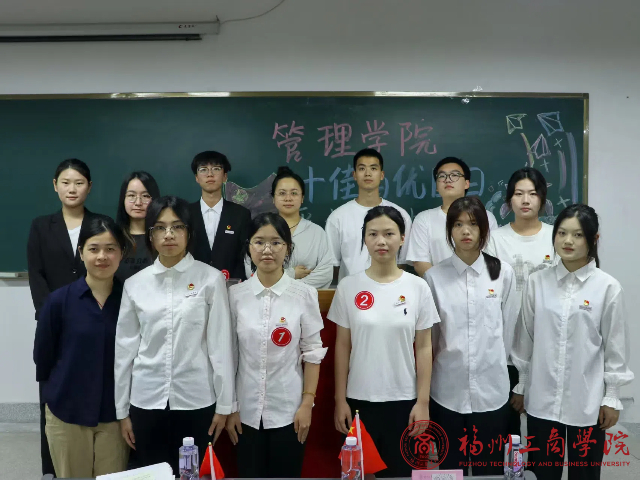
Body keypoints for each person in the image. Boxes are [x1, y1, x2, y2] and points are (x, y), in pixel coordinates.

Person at [114, 196, 235, 475]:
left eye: (177, 227)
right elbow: (124, 352)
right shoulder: (135, 285)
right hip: (146, 399)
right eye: (160, 227)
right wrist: (122, 411)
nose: (168, 234)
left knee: (192, 474)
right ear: (150, 235)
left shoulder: (210, 279)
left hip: (196, 399)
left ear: (188, 233)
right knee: (153, 474)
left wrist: (224, 405)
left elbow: (221, 346)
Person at [511, 204, 633, 480]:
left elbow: (615, 347)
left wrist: (612, 396)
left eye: (578, 235)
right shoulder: (537, 282)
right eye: (562, 233)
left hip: (586, 400)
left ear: (594, 239)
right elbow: (525, 338)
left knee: (585, 473)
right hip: (542, 398)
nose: (568, 241)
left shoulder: (607, 288)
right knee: (542, 472)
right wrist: (522, 384)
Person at [329, 206, 439, 477]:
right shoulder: (348, 287)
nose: (381, 241)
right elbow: (342, 347)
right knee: (357, 474)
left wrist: (423, 402)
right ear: (364, 240)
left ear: (402, 238)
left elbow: (424, 347)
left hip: (404, 401)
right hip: (359, 401)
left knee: (400, 475)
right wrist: (340, 400)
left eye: (389, 234)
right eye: (373, 234)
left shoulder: (418, 287)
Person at [226, 213, 327, 477]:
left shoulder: (304, 294)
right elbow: (229, 356)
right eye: (259, 242)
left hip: (289, 411)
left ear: (288, 248)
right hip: (245, 412)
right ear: (248, 247)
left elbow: (313, 353)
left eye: (276, 242)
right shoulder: (235, 296)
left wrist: (307, 404)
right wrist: (231, 406)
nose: (267, 249)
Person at [424, 196, 518, 476]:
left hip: (491, 391)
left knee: (489, 470)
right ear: (449, 230)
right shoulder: (434, 277)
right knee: (450, 470)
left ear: (484, 229)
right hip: (447, 391)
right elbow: (432, 338)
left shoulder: (502, 273)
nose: (466, 231)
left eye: (473, 224)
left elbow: (509, 330)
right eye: (458, 224)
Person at [34, 215, 132, 478]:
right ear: (81, 252)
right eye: (94, 249)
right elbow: (43, 358)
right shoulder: (58, 301)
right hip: (67, 412)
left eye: (110, 249)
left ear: (121, 253)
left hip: (115, 416)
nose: (102, 256)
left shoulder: (132, 301)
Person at [27, 158, 98, 476]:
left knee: (93, 390)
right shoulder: (41, 226)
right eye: (66, 182)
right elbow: (37, 275)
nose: (72, 189)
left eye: (79, 183)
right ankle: (51, 468)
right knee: (52, 395)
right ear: (55, 185)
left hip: (94, 323)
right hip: (53, 326)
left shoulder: (100, 224)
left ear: (89, 187)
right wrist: (51, 317)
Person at [484, 167, 555, 439]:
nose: (526, 200)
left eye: (533, 194)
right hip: (505, 349)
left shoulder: (557, 237)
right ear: (509, 200)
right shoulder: (494, 240)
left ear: (542, 199)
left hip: (547, 345)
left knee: (543, 435)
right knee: (507, 432)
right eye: (518, 194)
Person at [325, 148, 412, 283]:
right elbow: (333, 265)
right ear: (354, 175)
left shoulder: (400, 215)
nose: (367, 173)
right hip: (351, 290)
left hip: (390, 289)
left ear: (382, 174)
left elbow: (401, 262)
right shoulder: (337, 217)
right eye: (362, 168)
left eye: (373, 168)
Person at [406, 156, 499, 277]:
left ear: (466, 183)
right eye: (442, 176)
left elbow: (491, 256)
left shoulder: (486, 216)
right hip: (438, 286)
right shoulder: (424, 219)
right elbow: (420, 262)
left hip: (479, 284)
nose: (448, 180)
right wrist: (444, 285)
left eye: (455, 175)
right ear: (437, 186)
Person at [244, 166, 335, 288]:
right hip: (266, 298)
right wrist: (292, 274)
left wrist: (290, 289)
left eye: (294, 193)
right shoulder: (260, 230)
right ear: (273, 198)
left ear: (302, 198)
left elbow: (325, 274)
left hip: (305, 298)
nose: (288, 198)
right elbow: (251, 271)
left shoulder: (316, 232)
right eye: (282, 193)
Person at [188, 150, 252, 280]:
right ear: (196, 178)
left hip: (232, 285)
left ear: (225, 177)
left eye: (216, 169)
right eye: (203, 169)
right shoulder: (185, 213)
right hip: (192, 284)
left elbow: (245, 257)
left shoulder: (241, 214)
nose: (210, 174)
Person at [115, 171, 160, 282]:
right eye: (131, 195)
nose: (138, 202)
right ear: (123, 199)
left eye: (145, 196)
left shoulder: (163, 237)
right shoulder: (113, 237)